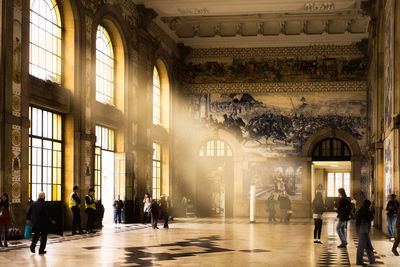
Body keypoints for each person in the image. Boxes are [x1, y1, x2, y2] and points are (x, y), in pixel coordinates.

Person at [355, 200, 375, 265]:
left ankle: (372, 260)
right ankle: (359, 261)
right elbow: (370, 218)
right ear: (368, 205)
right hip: (363, 230)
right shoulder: (365, 211)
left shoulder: (361, 210)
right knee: (361, 246)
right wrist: (371, 211)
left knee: (368, 245)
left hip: (363, 229)